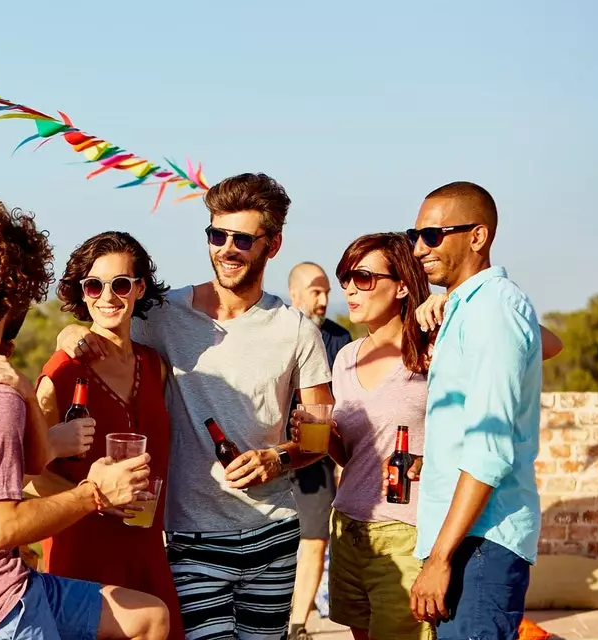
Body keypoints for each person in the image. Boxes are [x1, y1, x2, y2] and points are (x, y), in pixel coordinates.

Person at [58, 173, 333, 640]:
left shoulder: (297, 330)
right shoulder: (162, 314)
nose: (227, 248)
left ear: (274, 244)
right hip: (191, 538)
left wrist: (278, 457)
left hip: (274, 536)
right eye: (216, 235)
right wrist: (69, 337)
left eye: (242, 238)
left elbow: (321, 435)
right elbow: (104, 332)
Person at [0, 199, 170, 640]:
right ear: (19, 293)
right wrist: (95, 494)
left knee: (151, 618)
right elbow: (0, 530)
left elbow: (24, 463)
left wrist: (24, 391)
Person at [26, 231, 184, 640]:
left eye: (120, 284)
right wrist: (91, 498)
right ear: (83, 292)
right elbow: (31, 472)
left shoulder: (154, 366)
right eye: (94, 285)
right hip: (82, 552)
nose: (107, 296)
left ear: (139, 288)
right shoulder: (62, 370)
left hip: (146, 549)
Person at [404, 182, 544, 640]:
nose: (419, 248)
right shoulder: (471, 308)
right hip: (466, 540)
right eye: (415, 234)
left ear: (477, 237)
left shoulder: (495, 310)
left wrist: (441, 558)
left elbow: (489, 449)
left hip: (479, 545)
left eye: (432, 235)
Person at [292, 232, 437, 640]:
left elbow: (544, 345)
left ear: (404, 285)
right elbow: (350, 456)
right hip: (349, 526)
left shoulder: (432, 352)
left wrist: (455, 305)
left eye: (364, 278)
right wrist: (320, 437)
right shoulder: (345, 357)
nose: (350, 289)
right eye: (345, 279)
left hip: (407, 533)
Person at [285, 262, 352, 640]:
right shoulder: (275, 330)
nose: (324, 299)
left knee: (314, 540)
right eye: (315, 290)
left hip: (316, 459)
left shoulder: (340, 339)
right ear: (294, 293)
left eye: (327, 291)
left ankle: (297, 625)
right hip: (272, 455)